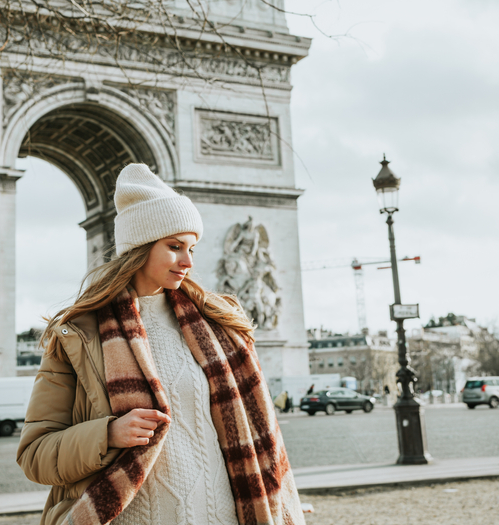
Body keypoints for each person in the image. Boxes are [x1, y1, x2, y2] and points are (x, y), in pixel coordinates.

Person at [17, 164, 303, 525]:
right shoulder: (78, 336)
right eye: (174, 246)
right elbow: (35, 454)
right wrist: (108, 434)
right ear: (139, 247)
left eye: (192, 248)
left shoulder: (218, 327)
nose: (188, 261)